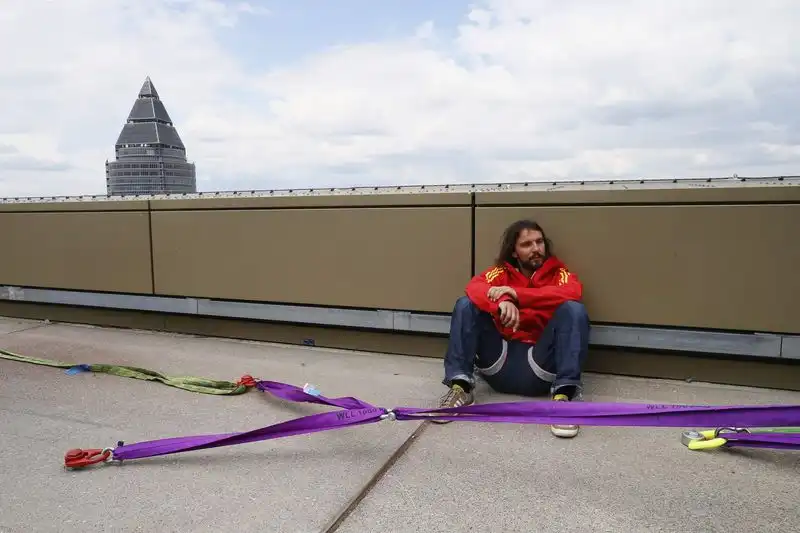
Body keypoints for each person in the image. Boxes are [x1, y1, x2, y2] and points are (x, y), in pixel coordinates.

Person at [436, 219, 590, 438]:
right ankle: (460, 388)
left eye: (539, 242)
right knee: (465, 304)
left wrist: (518, 295)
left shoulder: (559, 273)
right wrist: (501, 301)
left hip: (541, 366)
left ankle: (564, 398)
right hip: (499, 362)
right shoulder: (500, 272)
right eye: (527, 244)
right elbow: (475, 287)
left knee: (574, 310)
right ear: (514, 252)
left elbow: (572, 292)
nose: (536, 249)